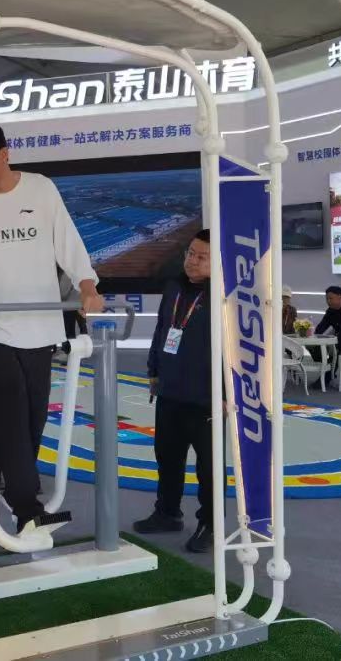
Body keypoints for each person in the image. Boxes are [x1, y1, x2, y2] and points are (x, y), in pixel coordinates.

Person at [0, 120, 102, 535]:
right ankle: (27, 504)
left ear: (4, 154)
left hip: (40, 328)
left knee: (32, 417)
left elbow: (68, 241)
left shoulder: (41, 189)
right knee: (9, 410)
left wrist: (87, 285)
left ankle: (2, 473)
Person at [133, 230, 217, 554]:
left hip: (207, 398)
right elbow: (162, 330)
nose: (192, 261)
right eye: (190, 254)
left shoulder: (225, 296)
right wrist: (154, 370)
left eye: (202, 257)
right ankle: (167, 513)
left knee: (208, 468)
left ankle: (210, 524)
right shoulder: (174, 288)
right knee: (167, 459)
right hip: (169, 392)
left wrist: (227, 393)